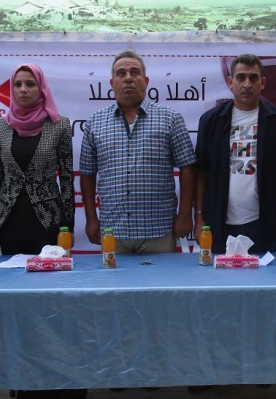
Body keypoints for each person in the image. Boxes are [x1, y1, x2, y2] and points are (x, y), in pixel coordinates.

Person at [80, 50, 196, 253]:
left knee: (162, 276)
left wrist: (185, 214)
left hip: (158, 231)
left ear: (146, 80)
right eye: (121, 73)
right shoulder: (94, 123)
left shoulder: (170, 119)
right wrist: (91, 218)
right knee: (113, 276)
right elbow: (87, 174)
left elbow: (188, 167)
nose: (128, 78)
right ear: (112, 83)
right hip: (113, 232)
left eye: (135, 72)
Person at [194, 54, 276, 253]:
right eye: (241, 78)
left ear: (262, 83)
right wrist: (199, 218)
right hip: (219, 224)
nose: (247, 84)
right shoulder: (211, 121)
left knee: (265, 273)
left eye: (253, 78)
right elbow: (201, 174)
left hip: (263, 224)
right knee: (221, 273)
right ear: (230, 82)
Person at [0, 63, 75, 256]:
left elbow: (67, 179)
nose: (23, 89)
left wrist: (68, 227)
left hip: (48, 221)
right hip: (9, 221)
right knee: (12, 274)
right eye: (18, 84)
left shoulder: (59, 125)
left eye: (30, 84)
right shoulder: (1, 127)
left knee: (48, 273)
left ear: (41, 88)